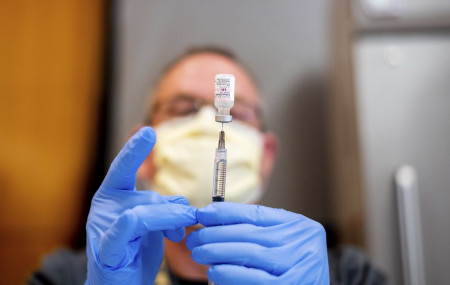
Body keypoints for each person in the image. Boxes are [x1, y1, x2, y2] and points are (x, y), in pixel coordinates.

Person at [28, 47, 385, 285]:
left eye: (236, 112)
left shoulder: (341, 274)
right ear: (144, 152)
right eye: (183, 110)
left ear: (266, 155)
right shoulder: (72, 276)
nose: (207, 123)